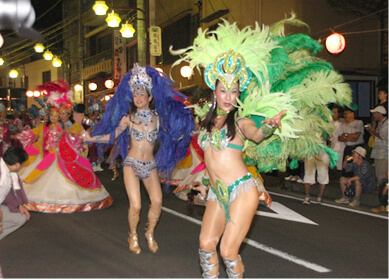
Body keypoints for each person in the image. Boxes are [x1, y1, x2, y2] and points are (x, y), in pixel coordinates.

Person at [170, 16, 352, 278]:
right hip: (217, 192)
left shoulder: (242, 121)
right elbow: (211, 160)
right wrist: (205, 183)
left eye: (234, 91)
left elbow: (256, 135)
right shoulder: (206, 123)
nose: (229, 96)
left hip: (242, 190)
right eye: (224, 90)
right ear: (214, 92)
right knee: (205, 244)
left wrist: (269, 126)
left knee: (228, 251)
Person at [84, 63, 194, 254]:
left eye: (142, 94)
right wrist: (90, 137)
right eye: (135, 94)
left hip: (150, 165)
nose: (138, 97)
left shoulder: (158, 119)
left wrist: (187, 130)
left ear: (150, 97)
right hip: (131, 164)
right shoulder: (128, 118)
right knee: (136, 205)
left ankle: (149, 233)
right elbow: (111, 136)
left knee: (157, 201)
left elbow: (174, 134)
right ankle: (133, 234)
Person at [17, 81, 113, 213]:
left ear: (69, 115)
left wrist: (67, 134)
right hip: (53, 155)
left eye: (63, 114)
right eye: (58, 114)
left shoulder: (73, 126)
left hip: (67, 157)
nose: (61, 116)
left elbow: (78, 140)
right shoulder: (53, 125)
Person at [0, 146, 30, 240]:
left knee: (20, 217)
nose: (22, 166)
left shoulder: (10, 174)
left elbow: (8, 193)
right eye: (22, 164)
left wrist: (18, 205)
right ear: (17, 164)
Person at [365, 106, 388, 184]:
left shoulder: (387, 123)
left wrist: (372, 130)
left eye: (375, 113)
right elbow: (376, 136)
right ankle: (381, 189)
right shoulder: (380, 123)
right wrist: (371, 131)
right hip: (378, 153)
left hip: (384, 153)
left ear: (380, 114)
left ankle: (383, 191)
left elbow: (381, 136)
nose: (373, 115)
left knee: (382, 173)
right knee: (378, 173)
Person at [329, 105, 345, 171]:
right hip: (331, 144)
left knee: (339, 162)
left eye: (335, 112)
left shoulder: (342, 123)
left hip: (340, 144)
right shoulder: (329, 122)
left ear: (339, 113)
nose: (333, 114)